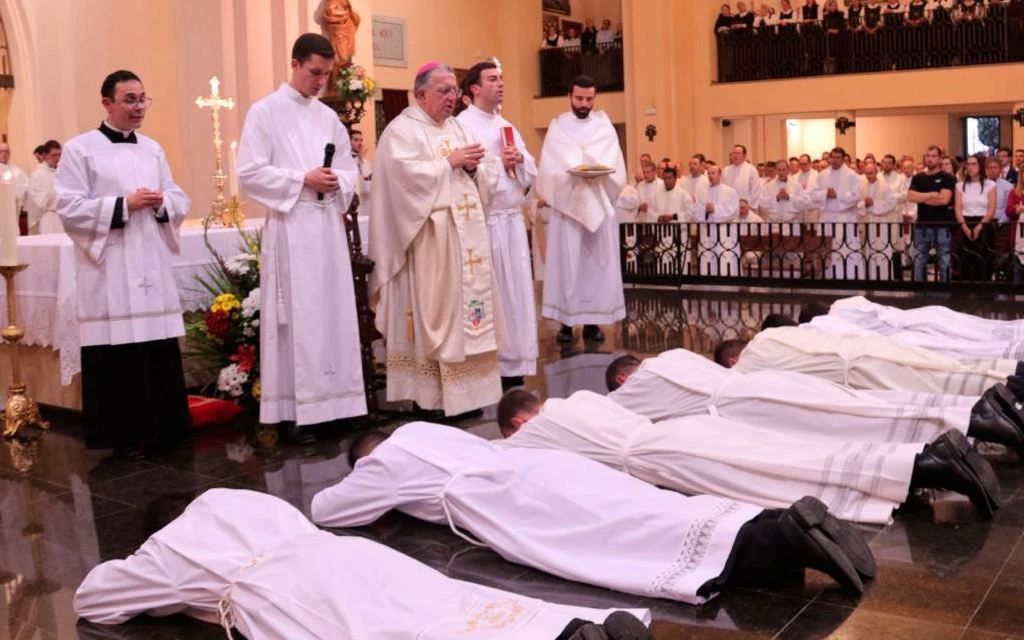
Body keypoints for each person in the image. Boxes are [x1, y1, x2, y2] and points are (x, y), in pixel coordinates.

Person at [314, 422, 877, 598]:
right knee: (647, 506)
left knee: (626, 536)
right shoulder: (420, 428)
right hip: (542, 466)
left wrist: (363, 477)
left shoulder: (381, 465)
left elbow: (327, 510)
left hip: (509, 501)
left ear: (366, 456)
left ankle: (778, 543)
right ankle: (776, 524)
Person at [75, 489, 653, 640]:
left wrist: (146, 570)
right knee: (447, 604)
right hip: (348, 555)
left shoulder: (169, 548)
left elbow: (94, 599)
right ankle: (577, 629)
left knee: (402, 632)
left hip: (295, 592)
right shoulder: (242, 499)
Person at [498, 389, 1000, 522]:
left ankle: (926, 468)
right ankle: (924, 461)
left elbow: (506, 455)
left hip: (665, 456)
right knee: (793, 453)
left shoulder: (541, 430)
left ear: (522, 423)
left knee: (782, 476)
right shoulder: (585, 401)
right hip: (680, 432)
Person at [54, 69, 191, 458]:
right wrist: (123, 205)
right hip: (111, 269)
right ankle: (125, 435)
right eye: (129, 99)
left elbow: (177, 195)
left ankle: (166, 428)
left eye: (142, 99)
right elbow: (69, 207)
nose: (138, 107)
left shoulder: (153, 149)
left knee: (156, 348)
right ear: (107, 104)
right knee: (119, 353)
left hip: (149, 260)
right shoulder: (80, 150)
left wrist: (163, 202)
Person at [238, 34, 365, 444]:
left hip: (327, 227)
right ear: (294, 64)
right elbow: (250, 172)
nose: (319, 83)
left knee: (334, 314)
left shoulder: (328, 117)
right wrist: (301, 179)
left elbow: (349, 170)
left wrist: (336, 180)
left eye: (326, 76)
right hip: (292, 229)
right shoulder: (264, 112)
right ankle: (296, 412)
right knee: (300, 318)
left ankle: (339, 405)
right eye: (314, 73)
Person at [369, 61, 502, 417]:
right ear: (421, 94)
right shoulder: (401, 131)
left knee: (466, 317)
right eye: (444, 91)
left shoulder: (457, 127)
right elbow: (402, 183)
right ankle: (430, 398)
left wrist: (473, 168)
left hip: (465, 243)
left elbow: (484, 172)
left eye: (454, 91)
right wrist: (449, 163)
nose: (451, 98)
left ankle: (466, 396)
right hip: (428, 246)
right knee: (434, 316)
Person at [604, 349, 1024, 459]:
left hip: (749, 400)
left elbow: (611, 407)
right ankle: (974, 418)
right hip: (757, 392)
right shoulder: (669, 360)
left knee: (857, 413)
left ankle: (974, 418)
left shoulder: (641, 381)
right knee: (858, 410)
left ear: (624, 379)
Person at [456, 61, 538, 389]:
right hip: (485, 223)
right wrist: (499, 164)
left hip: (511, 221)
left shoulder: (507, 126)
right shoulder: (462, 125)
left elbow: (530, 168)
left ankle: (515, 361)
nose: (500, 83)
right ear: (474, 88)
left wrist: (520, 162)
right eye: (492, 79)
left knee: (515, 292)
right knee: (492, 294)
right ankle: (490, 362)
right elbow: (465, 171)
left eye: (501, 78)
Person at [537, 75, 626, 346]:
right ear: (569, 96)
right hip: (568, 207)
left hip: (598, 202)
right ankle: (566, 323)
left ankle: (592, 323)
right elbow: (550, 167)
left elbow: (615, 165)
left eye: (589, 99)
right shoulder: (558, 127)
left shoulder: (604, 126)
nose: (584, 104)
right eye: (579, 98)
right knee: (567, 266)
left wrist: (593, 170)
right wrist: (573, 171)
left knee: (594, 267)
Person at [729, 325, 1015, 397]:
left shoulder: (747, 367)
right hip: (865, 348)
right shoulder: (771, 333)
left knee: (936, 380)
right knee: (946, 365)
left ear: (732, 360)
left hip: (859, 369)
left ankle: (1013, 385)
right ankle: (1013, 373)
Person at [807, 295, 1024, 360]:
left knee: (962, 342)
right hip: (915, 317)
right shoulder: (846, 302)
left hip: (906, 327)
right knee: (971, 328)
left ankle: (1013, 349)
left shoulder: (834, 316)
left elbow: (876, 323)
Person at [811, 147, 864, 279]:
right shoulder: (822, 174)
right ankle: (827, 278)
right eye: (832, 157)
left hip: (845, 218)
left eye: (837, 158)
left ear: (843, 158)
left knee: (845, 250)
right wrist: (825, 194)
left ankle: (849, 277)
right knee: (827, 251)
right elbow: (813, 194)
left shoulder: (851, 175)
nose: (834, 160)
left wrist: (838, 195)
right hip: (827, 218)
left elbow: (856, 195)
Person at [907, 145, 956, 281]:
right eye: (928, 155)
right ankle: (919, 290)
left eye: (934, 156)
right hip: (922, 224)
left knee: (944, 260)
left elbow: (944, 200)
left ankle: (946, 290)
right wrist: (932, 194)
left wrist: (922, 197)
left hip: (942, 225)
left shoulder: (947, 178)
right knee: (919, 259)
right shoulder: (918, 178)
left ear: (940, 159)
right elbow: (911, 197)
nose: (930, 159)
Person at [955, 153, 996, 282]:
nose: (970, 167)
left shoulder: (990, 185)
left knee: (984, 259)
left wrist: (980, 226)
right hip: (965, 222)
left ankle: (985, 292)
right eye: (968, 164)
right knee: (965, 259)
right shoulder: (960, 185)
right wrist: (965, 227)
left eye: (974, 164)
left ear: (981, 166)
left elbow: (991, 209)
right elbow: (958, 208)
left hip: (984, 223)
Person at [694, 162, 740, 276]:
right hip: (708, 233)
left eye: (713, 173)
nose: (710, 176)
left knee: (725, 258)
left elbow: (733, 211)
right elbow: (695, 210)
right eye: (708, 173)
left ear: (720, 174)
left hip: (725, 233)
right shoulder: (702, 192)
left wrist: (715, 209)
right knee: (708, 258)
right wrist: (705, 210)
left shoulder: (730, 191)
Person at [860, 160, 897, 280]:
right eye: (867, 173)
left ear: (876, 172)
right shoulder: (861, 186)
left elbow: (891, 204)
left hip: (881, 222)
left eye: (871, 173)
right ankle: (870, 277)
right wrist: (864, 204)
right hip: (867, 221)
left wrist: (874, 203)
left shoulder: (885, 186)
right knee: (868, 251)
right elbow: (855, 204)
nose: (869, 176)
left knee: (881, 249)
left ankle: (884, 277)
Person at [26, 139, 64, 234]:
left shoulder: (61, 172)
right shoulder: (38, 174)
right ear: (45, 155)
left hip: (61, 217)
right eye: (54, 155)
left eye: (59, 154)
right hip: (46, 217)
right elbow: (39, 201)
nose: (57, 158)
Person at [0, 142, 30, 227]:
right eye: (1, 151)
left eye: (6, 151)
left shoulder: (16, 170)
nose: (4, 154)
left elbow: (27, 185)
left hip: (12, 208)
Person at [349, 128, 372, 223]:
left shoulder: (365, 162)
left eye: (361, 140)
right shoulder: (345, 160)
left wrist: (361, 160)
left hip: (364, 199)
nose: (360, 143)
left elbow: (368, 179)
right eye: (356, 140)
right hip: (351, 200)